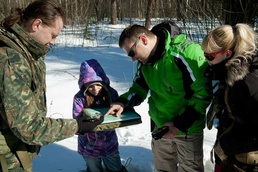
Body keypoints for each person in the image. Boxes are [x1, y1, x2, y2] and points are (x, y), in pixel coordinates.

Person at [0, 1, 101, 171]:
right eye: (53, 35)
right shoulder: (13, 61)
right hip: (7, 160)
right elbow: (29, 127)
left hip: (16, 153)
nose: (54, 42)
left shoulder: (28, 51)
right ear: (36, 24)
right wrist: (78, 125)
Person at [105, 21, 212, 172]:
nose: (132, 59)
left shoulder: (187, 53)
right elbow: (139, 87)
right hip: (160, 126)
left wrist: (179, 125)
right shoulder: (145, 62)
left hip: (187, 128)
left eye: (131, 52)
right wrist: (123, 102)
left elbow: (203, 95)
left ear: (143, 39)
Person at [202, 24, 258, 172]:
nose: (206, 60)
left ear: (227, 53)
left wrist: (227, 145)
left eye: (210, 56)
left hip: (246, 163)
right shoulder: (228, 71)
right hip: (229, 157)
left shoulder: (250, 82)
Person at [73, 59, 127, 172]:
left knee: (115, 168)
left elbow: (121, 111)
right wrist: (84, 126)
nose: (95, 89)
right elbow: (76, 120)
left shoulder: (111, 93)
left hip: (109, 142)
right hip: (89, 144)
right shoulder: (80, 98)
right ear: (85, 86)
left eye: (98, 85)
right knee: (94, 169)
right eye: (91, 86)